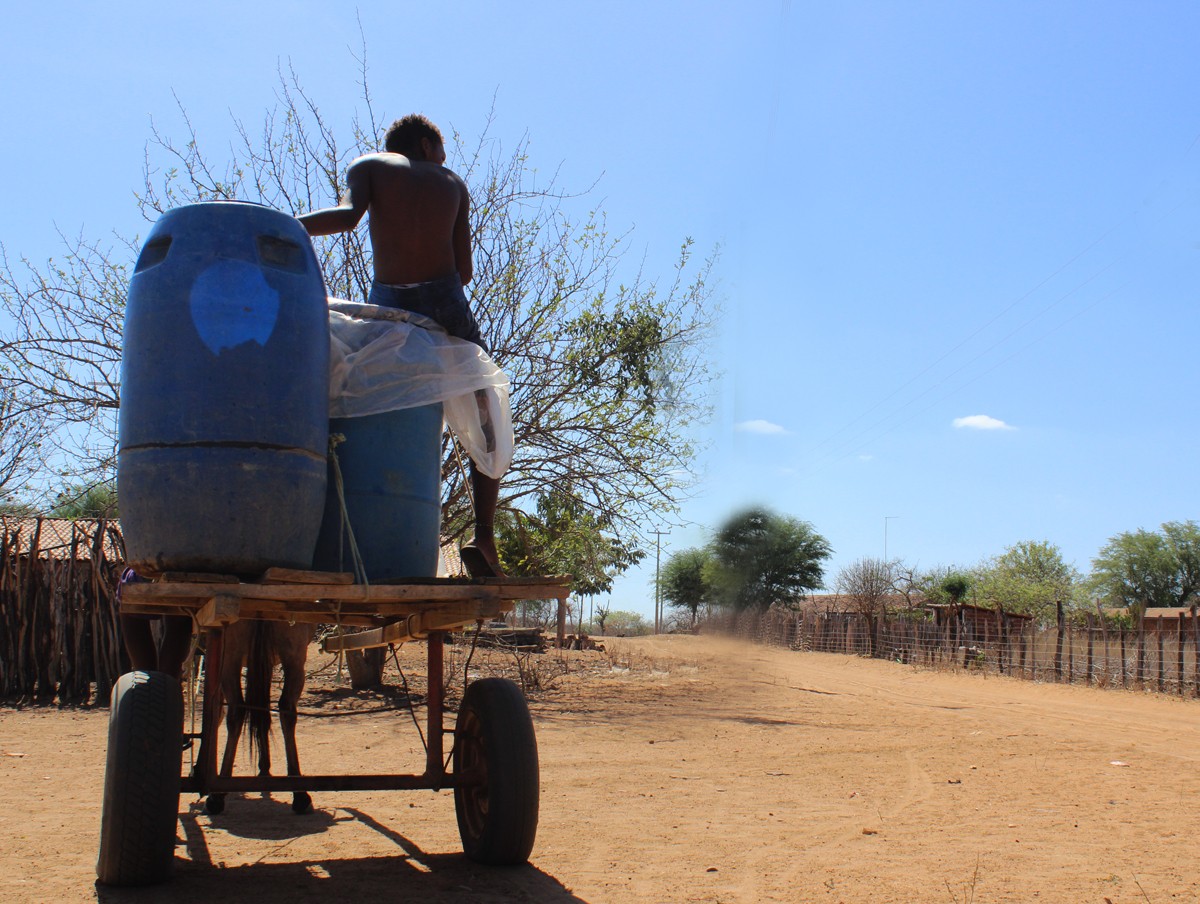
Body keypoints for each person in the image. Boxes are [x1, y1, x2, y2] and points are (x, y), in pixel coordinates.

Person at [299, 113, 504, 577]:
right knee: (484, 401)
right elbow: (464, 271)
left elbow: (348, 218)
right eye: (442, 150)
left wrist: (290, 227)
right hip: (444, 299)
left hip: (390, 302)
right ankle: (485, 537)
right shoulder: (452, 182)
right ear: (428, 146)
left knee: (361, 381)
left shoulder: (369, 165)